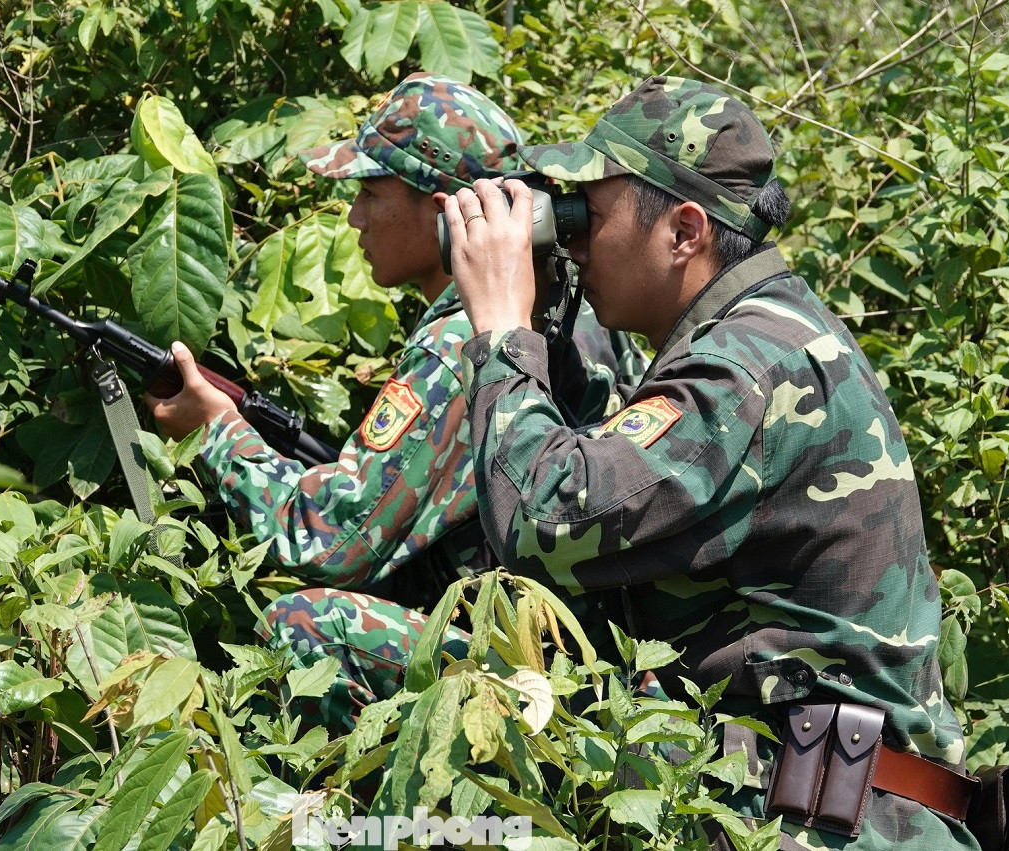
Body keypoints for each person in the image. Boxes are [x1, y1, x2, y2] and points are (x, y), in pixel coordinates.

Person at [442, 76, 977, 850]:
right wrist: (548, 322)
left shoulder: (747, 366)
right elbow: (613, 476)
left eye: (589, 216)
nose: (574, 241)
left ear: (684, 231)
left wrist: (499, 329)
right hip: (821, 806)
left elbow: (545, 519)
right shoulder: (760, 333)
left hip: (829, 826)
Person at [145, 73, 645, 730]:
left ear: (442, 213)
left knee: (305, 627)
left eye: (369, 193)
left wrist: (217, 431)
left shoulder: (464, 338)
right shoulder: (574, 304)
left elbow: (331, 541)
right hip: (593, 659)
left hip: (542, 687)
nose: (353, 217)